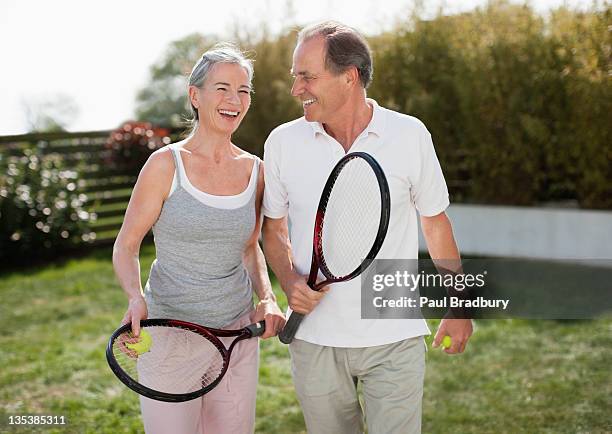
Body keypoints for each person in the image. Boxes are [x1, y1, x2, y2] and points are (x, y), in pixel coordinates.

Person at [261, 21, 473, 434]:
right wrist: (289, 281)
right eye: (295, 77)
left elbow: (435, 223)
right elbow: (273, 229)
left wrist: (459, 303)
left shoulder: (409, 134)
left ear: (349, 76)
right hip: (314, 340)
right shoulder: (283, 142)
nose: (296, 89)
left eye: (307, 76)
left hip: (394, 335)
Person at [112, 44, 285, 434]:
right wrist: (135, 297)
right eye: (222, 88)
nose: (234, 100)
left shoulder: (256, 171)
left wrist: (268, 297)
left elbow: (249, 245)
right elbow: (127, 244)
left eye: (243, 91)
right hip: (172, 332)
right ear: (195, 95)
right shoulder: (164, 165)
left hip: (236, 334)